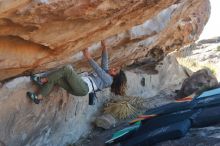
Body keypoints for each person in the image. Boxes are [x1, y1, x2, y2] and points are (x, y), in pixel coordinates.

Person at [27, 40, 127, 104]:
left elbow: (98, 69)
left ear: (115, 77)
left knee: (67, 69)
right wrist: (105, 47)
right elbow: (105, 62)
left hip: (83, 88)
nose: (112, 69)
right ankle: (38, 97)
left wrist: (88, 57)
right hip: (79, 87)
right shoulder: (107, 73)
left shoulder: (109, 80)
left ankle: (42, 80)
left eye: (114, 71)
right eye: (114, 68)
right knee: (55, 78)